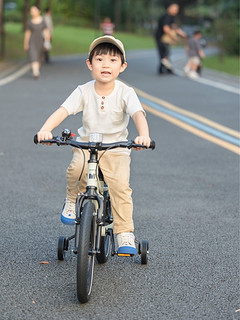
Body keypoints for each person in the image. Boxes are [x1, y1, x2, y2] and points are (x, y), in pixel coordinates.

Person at [37, 36, 151, 255]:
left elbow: (138, 114)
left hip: (116, 148)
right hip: (87, 146)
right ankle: (71, 200)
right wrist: (45, 129)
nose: (105, 64)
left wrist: (143, 136)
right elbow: (63, 110)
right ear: (89, 64)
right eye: (99, 59)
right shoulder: (83, 91)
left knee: (120, 188)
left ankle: (124, 232)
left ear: (122, 66)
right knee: (75, 169)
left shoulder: (126, 93)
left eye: (112, 60)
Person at [155, 2, 187, 74]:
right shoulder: (166, 16)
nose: (176, 10)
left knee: (165, 54)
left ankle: (164, 69)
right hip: (161, 38)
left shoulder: (171, 17)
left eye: (177, 9)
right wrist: (174, 37)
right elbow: (166, 29)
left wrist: (182, 33)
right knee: (164, 54)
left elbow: (174, 28)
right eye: (175, 9)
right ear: (169, 8)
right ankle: (166, 69)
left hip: (165, 38)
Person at [24, 5, 51, 78]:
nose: (32, 12)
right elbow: (27, 34)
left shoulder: (43, 21)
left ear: (39, 11)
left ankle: (36, 70)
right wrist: (26, 43)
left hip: (41, 42)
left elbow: (46, 32)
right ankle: (35, 72)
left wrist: (47, 41)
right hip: (32, 42)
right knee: (33, 56)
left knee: (39, 58)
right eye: (31, 10)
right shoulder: (29, 22)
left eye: (34, 10)